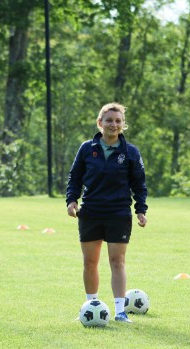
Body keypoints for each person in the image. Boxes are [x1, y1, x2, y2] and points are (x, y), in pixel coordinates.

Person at [66, 102, 148, 323]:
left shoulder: (130, 152)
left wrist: (140, 210)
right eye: (109, 120)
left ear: (123, 125)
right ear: (100, 123)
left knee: (117, 261)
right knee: (90, 262)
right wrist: (71, 200)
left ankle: (120, 311)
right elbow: (74, 178)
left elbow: (139, 184)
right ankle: (90, 306)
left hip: (118, 214)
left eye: (118, 120)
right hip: (90, 212)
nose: (114, 124)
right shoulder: (86, 148)